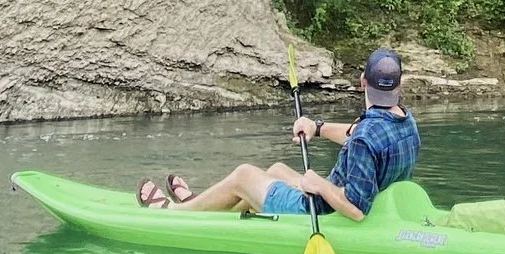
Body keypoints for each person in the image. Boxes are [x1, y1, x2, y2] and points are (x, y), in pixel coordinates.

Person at [137, 48, 419, 219]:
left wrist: (320, 185)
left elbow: (356, 209)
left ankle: (177, 214)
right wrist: (316, 128)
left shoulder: (364, 138)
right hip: (347, 198)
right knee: (277, 169)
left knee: (244, 175)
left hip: (324, 210)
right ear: (398, 84)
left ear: (362, 81)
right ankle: (206, 209)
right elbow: (357, 135)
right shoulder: (404, 121)